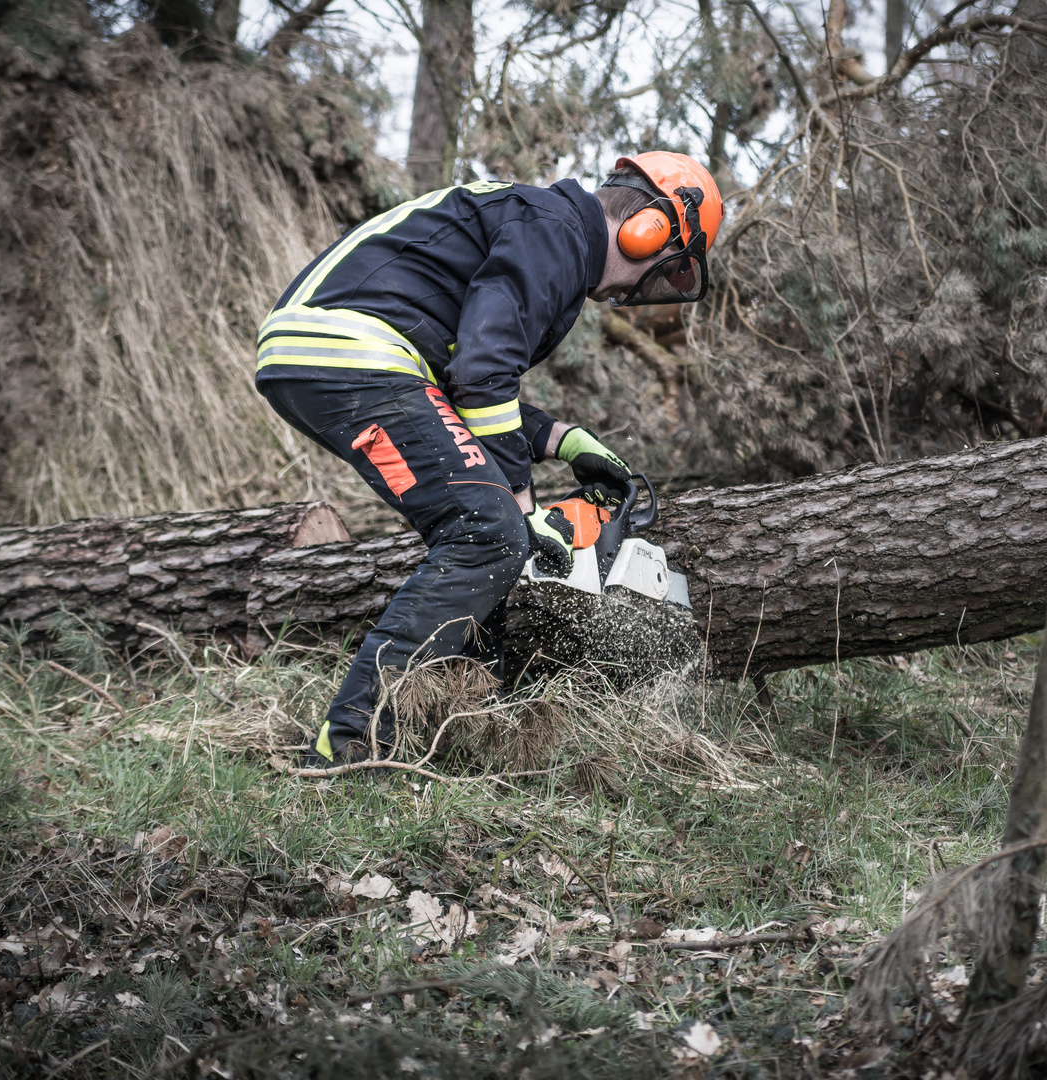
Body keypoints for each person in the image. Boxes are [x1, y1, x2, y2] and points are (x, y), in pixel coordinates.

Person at [254, 152, 724, 767]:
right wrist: (524, 508)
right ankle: (351, 744)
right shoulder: (554, 229)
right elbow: (482, 376)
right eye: (669, 270)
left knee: (484, 530)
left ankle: (461, 716)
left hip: (341, 354)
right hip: (355, 351)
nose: (643, 291)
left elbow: (460, 382)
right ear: (649, 229)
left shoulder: (548, 232)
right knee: (490, 531)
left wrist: (566, 440)